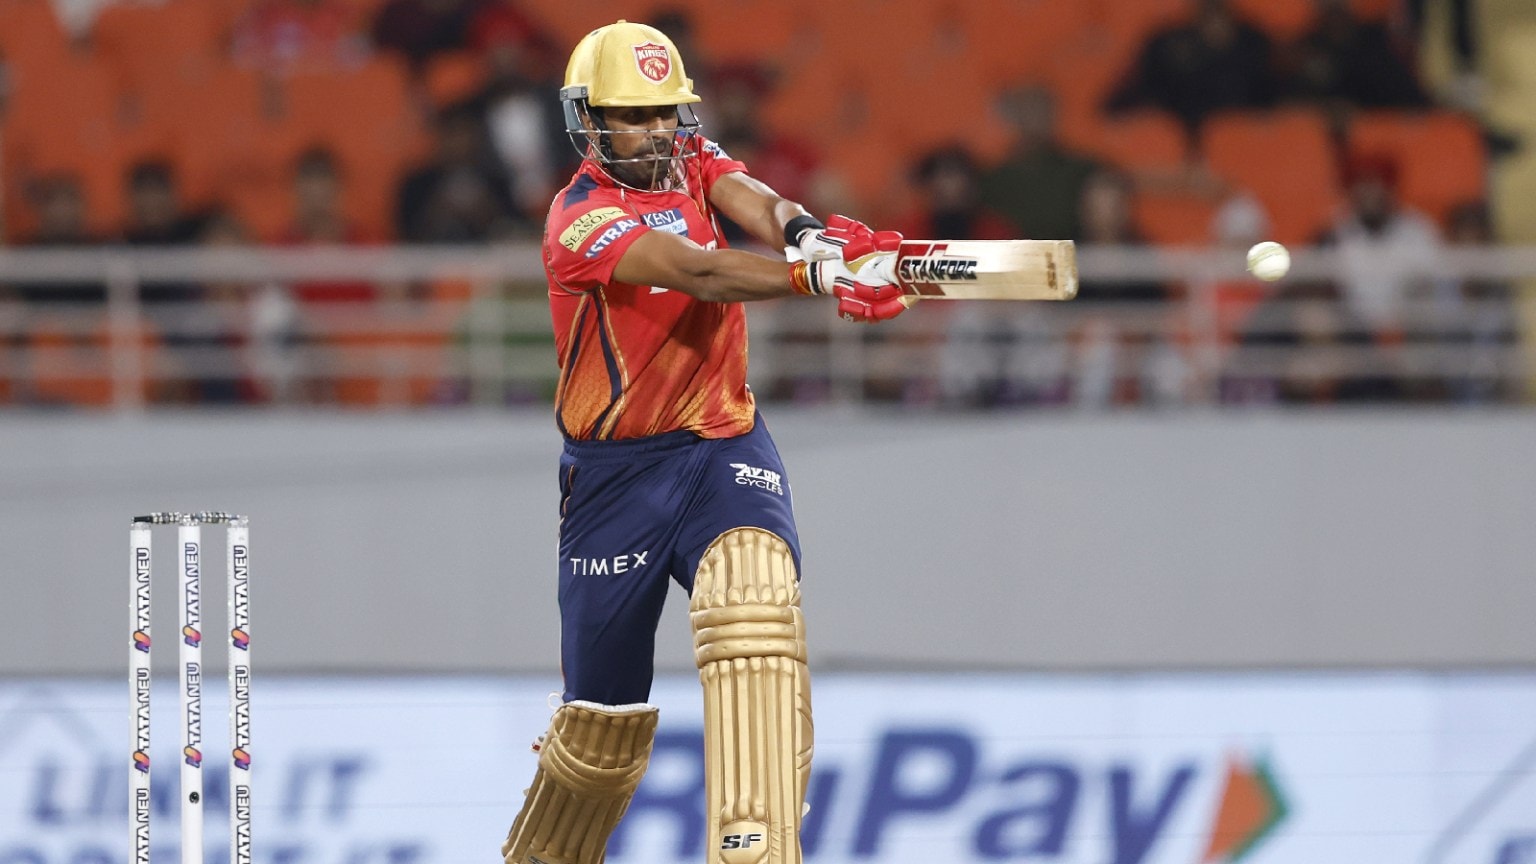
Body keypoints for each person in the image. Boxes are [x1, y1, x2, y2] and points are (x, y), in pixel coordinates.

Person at [499, 20, 906, 864]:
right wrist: (819, 277)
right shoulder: (578, 221)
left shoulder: (685, 154)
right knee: (597, 739)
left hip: (723, 444)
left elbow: (747, 194)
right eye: (632, 116)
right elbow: (699, 270)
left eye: (664, 113)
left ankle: (755, 851)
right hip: (617, 481)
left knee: (754, 612)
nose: (654, 131)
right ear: (590, 120)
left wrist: (808, 235)